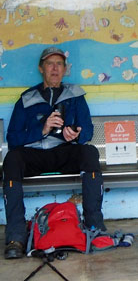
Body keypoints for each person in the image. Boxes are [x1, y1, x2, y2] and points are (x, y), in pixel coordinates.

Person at [2, 47, 105, 259]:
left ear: (65, 69)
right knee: (11, 159)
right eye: (50, 64)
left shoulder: (75, 95)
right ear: (41, 68)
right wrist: (42, 129)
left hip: (64, 152)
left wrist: (74, 134)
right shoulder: (27, 98)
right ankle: (16, 237)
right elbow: (12, 138)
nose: (55, 68)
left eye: (59, 64)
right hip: (34, 155)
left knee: (89, 153)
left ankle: (95, 227)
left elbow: (87, 130)